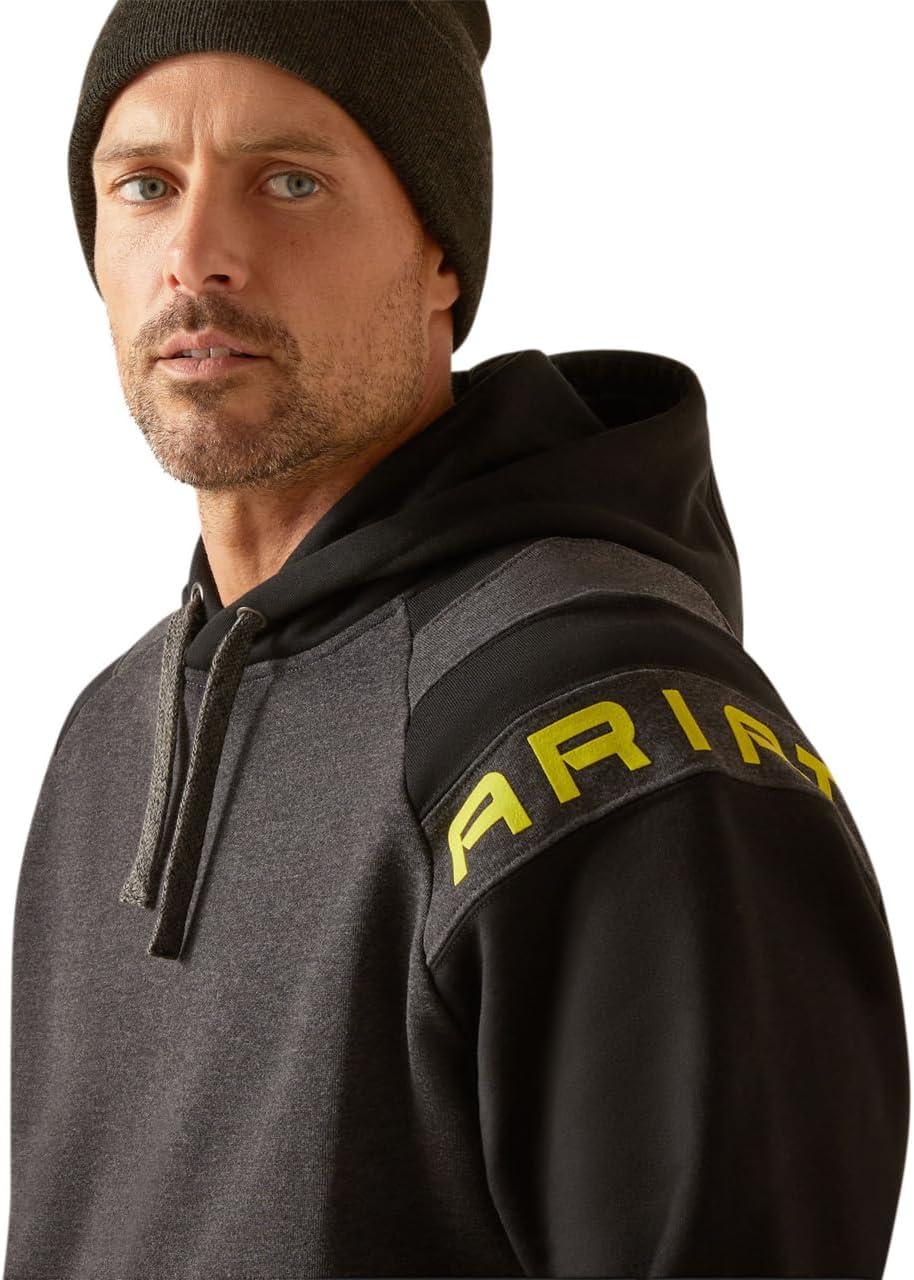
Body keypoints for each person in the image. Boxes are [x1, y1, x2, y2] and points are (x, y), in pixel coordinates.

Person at [4, 2, 908, 1277]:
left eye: (289, 180)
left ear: (440, 254)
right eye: (144, 185)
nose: (196, 255)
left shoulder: (608, 725)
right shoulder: (112, 731)